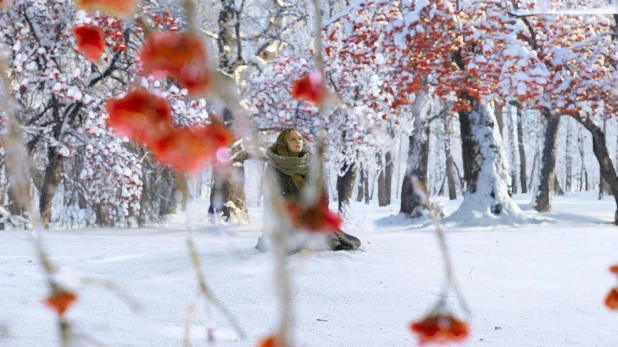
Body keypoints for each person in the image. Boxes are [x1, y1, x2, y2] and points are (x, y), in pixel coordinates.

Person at [256, 128, 361, 253]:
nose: (298, 141)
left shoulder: (310, 161)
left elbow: (322, 189)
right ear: (284, 143)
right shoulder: (274, 165)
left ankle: (325, 237)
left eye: (300, 138)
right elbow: (274, 196)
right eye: (293, 139)